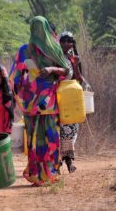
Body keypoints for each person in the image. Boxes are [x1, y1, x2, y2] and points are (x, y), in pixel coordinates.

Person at [9, 16, 70, 186]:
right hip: (30, 101)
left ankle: (51, 172)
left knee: (51, 135)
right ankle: (36, 174)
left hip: (49, 99)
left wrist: (51, 69)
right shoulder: (24, 50)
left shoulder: (54, 48)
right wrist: (17, 93)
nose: (37, 32)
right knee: (34, 138)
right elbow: (16, 76)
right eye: (34, 27)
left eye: (40, 28)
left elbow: (67, 70)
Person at [58, 31, 91, 173]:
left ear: (73, 43)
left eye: (68, 41)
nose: (66, 44)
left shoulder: (74, 59)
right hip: (59, 98)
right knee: (59, 131)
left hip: (71, 100)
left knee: (71, 131)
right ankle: (57, 163)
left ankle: (69, 161)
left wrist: (76, 65)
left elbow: (78, 79)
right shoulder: (55, 57)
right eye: (63, 41)